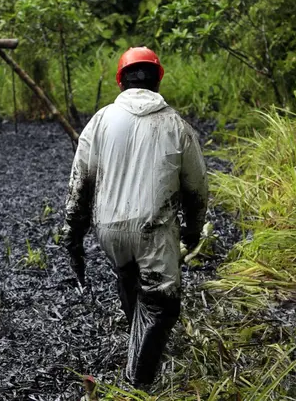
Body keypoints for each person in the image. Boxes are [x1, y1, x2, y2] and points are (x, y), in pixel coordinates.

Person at [62, 47, 208, 389]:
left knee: (129, 280)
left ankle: (137, 347)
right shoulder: (175, 124)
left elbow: (80, 182)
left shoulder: (100, 121)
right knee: (162, 305)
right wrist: (193, 230)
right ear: (158, 78)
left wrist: (74, 233)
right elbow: (197, 187)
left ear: (120, 80)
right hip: (153, 228)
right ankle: (135, 385)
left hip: (109, 229)